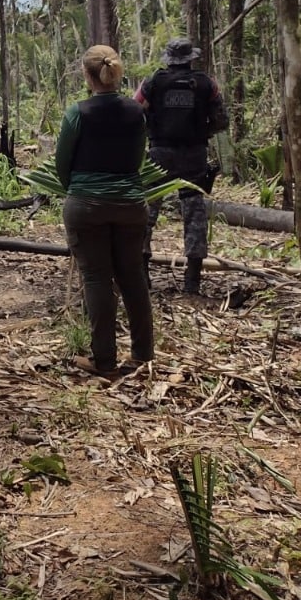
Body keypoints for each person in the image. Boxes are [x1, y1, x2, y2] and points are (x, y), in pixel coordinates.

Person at [56, 45, 154, 379]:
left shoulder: (77, 113)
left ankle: (105, 360)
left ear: (86, 74)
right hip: (131, 204)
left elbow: (62, 163)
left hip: (86, 205)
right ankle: (143, 353)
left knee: (97, 278)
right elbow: (138, 158)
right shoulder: (136, 111)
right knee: (132, 276)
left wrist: (79, 189)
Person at [135, 37, 229, 294]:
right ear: (190, 59)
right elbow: (222, 121)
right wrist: (202, 133)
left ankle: (142, 274)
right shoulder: (206, 84)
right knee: (194, 213)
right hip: (193, 155)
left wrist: (150, 133)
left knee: (147, 212)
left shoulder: (152, 82)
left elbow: (134, 110)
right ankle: (192, 282)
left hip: (159, 155)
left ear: (169, 58)